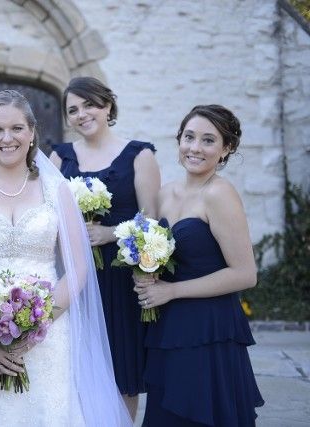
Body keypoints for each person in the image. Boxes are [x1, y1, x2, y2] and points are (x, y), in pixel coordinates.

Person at [0, 90, 132, 426]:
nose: (7, 138)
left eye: (16, 128)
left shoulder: (57, 190)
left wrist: (36, 326)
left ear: (31, 133)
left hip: (50, 334)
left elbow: (77, 268)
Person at [133, 105, 264, 426]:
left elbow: (246, 274)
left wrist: (172, 291)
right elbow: (149, 251)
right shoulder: (164, 194)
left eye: (208, 140)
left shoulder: (220, 194)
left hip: (208, 330)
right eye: (189, 137)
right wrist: (143, 274)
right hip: (166, 327)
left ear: (226, 149)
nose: (195, 147)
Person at [50, 76, 160, 419]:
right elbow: (41, 213)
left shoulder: (139, 155)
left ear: (107, 106)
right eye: (73, 110)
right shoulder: (59, 157)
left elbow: (151, 221)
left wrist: (110, 234)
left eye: (89, 105)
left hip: (119, 279)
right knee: (75, 367)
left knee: (121, 369)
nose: (82, 114)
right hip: (73, 277)